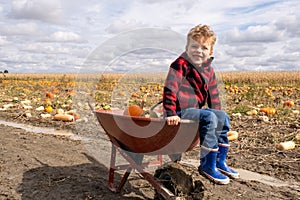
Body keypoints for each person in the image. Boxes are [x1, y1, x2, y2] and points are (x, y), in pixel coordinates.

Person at [162, 24, 239, 184]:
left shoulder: (209, 70)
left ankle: (219, 161)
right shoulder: (180, 64)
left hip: (195, 110)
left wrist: (219, 117)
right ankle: (206, 164)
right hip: (180, 111)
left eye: (204, 48)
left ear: (210, 52)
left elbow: (214, 95)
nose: (198, 50)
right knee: (210, 116)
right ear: (187, 47)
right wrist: (171, 113)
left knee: (222, 116)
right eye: (194, 46)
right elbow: (170, 89)